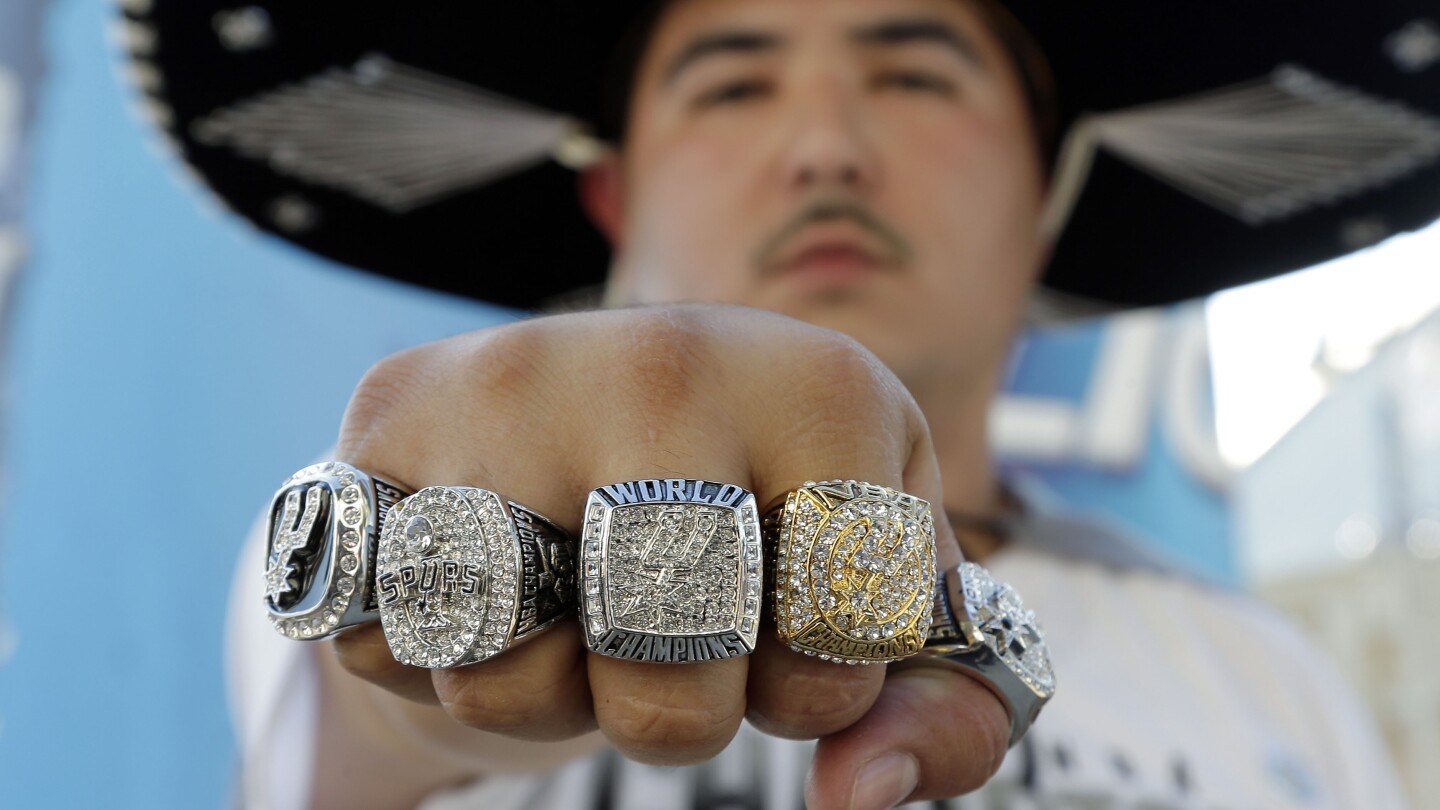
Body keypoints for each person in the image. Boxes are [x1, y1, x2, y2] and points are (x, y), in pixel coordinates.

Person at [120, 0, 1440, 807]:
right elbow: (379, 725)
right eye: (734, 82)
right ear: (614, 197)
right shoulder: (388, 515)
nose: (823, 144)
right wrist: (477, 579)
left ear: (1046, 189)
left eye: (915, 74)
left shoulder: (1274, 683)